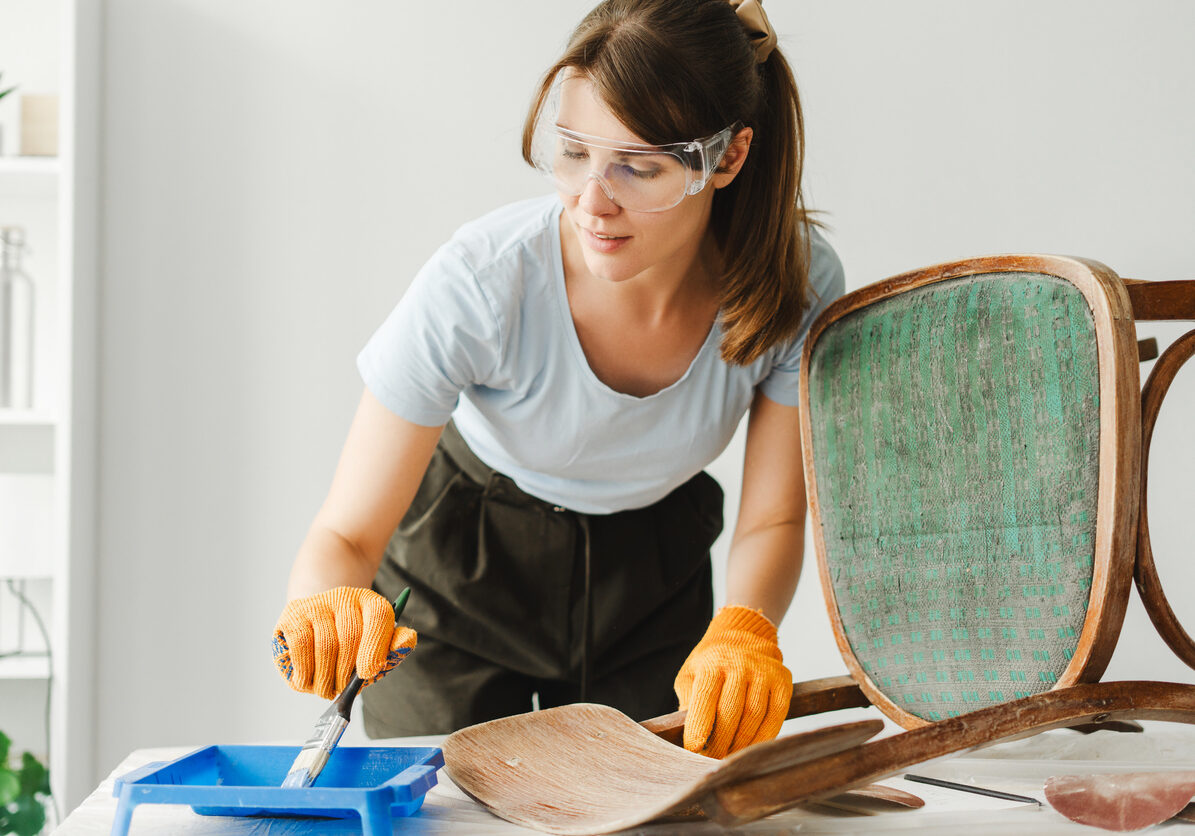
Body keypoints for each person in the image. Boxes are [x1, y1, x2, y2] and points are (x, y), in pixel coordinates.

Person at [271, 0, 844, 760]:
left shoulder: (793, 285)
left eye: (637, 167)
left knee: (658, 798)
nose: (590, 201)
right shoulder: (479, 282)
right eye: (573, 152)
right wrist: (321, 603)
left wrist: (746, 627)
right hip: (464, 561)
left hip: (654, 568)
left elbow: (772, 518)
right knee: (452, 802)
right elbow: (343, 532)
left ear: (728, 158)